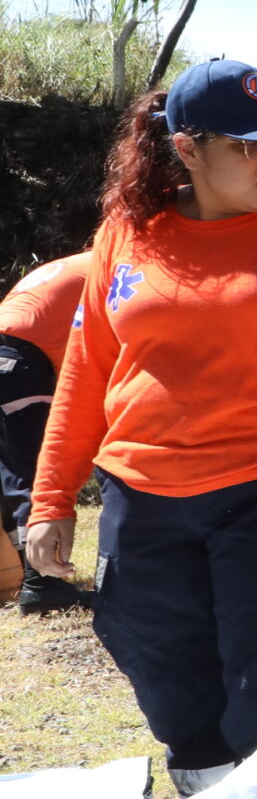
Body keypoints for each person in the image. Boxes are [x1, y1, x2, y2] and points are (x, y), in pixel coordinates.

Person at [25, 61, 257, 797]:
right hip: (142, 495)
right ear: (188, 149)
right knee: (161, 663)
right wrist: (50, 499)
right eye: (249, 145)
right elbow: (86, 372)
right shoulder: (127, 233)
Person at [0, 252, 93, 613]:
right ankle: (42, 584)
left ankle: (29, 578)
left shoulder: (69, 266)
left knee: (10, 478)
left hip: (10, 354)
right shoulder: (119, 263)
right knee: (34, 472)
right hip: (19, 362)